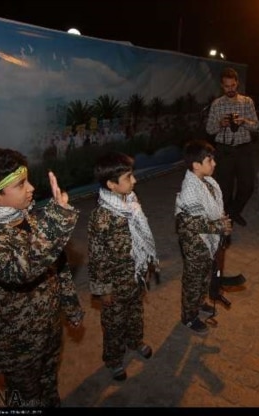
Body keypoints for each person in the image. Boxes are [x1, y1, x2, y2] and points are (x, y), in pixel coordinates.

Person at [0, 147, 84, 407]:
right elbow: (22, 270)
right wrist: (57, 220)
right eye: (20, 184)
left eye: (27, 180)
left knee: (49, 385)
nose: (31, 188)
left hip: (49, 326)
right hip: (20, 344)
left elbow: (56, 266)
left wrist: (70, 306)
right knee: (26, 398)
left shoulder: (28, 217)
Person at [88, 151, 158, 381]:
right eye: (128, 178)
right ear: (111, 185)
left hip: (134, 276)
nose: (134, 181)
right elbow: (97, 258)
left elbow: (140, 240)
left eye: (132, 175)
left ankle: (135, 341)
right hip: (115, 285)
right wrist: (104, 289)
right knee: (114, 324)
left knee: (135, 314)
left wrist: (144, 265)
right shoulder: (101, 218)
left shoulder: (131, 203)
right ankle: (114, 360)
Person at [175, 139, 233, 334]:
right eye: (210, 160)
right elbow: (190, 223)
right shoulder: (189, 190)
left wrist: (221, 220)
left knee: (204, 276)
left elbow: (214, 210)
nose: (214, 164)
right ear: (196, 165)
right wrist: (219, 226)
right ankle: (188, 316)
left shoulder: (207, 182)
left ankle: (199, 304)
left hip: (206, 238)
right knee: (193, 279)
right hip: (195, 242)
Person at [205, 67, 259, 227]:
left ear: (237, 84)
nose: (230, 89)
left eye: (233, 85)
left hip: (244, 149)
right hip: (224, 149)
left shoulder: (247, 102)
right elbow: (209, 129)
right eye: (227, 86)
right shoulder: (217, 104)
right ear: (222, 86)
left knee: (248, 185)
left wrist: (244, 122)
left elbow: (256, 125)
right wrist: (220, 124)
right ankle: (228, 216)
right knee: (224, 188)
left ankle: (234, 212)